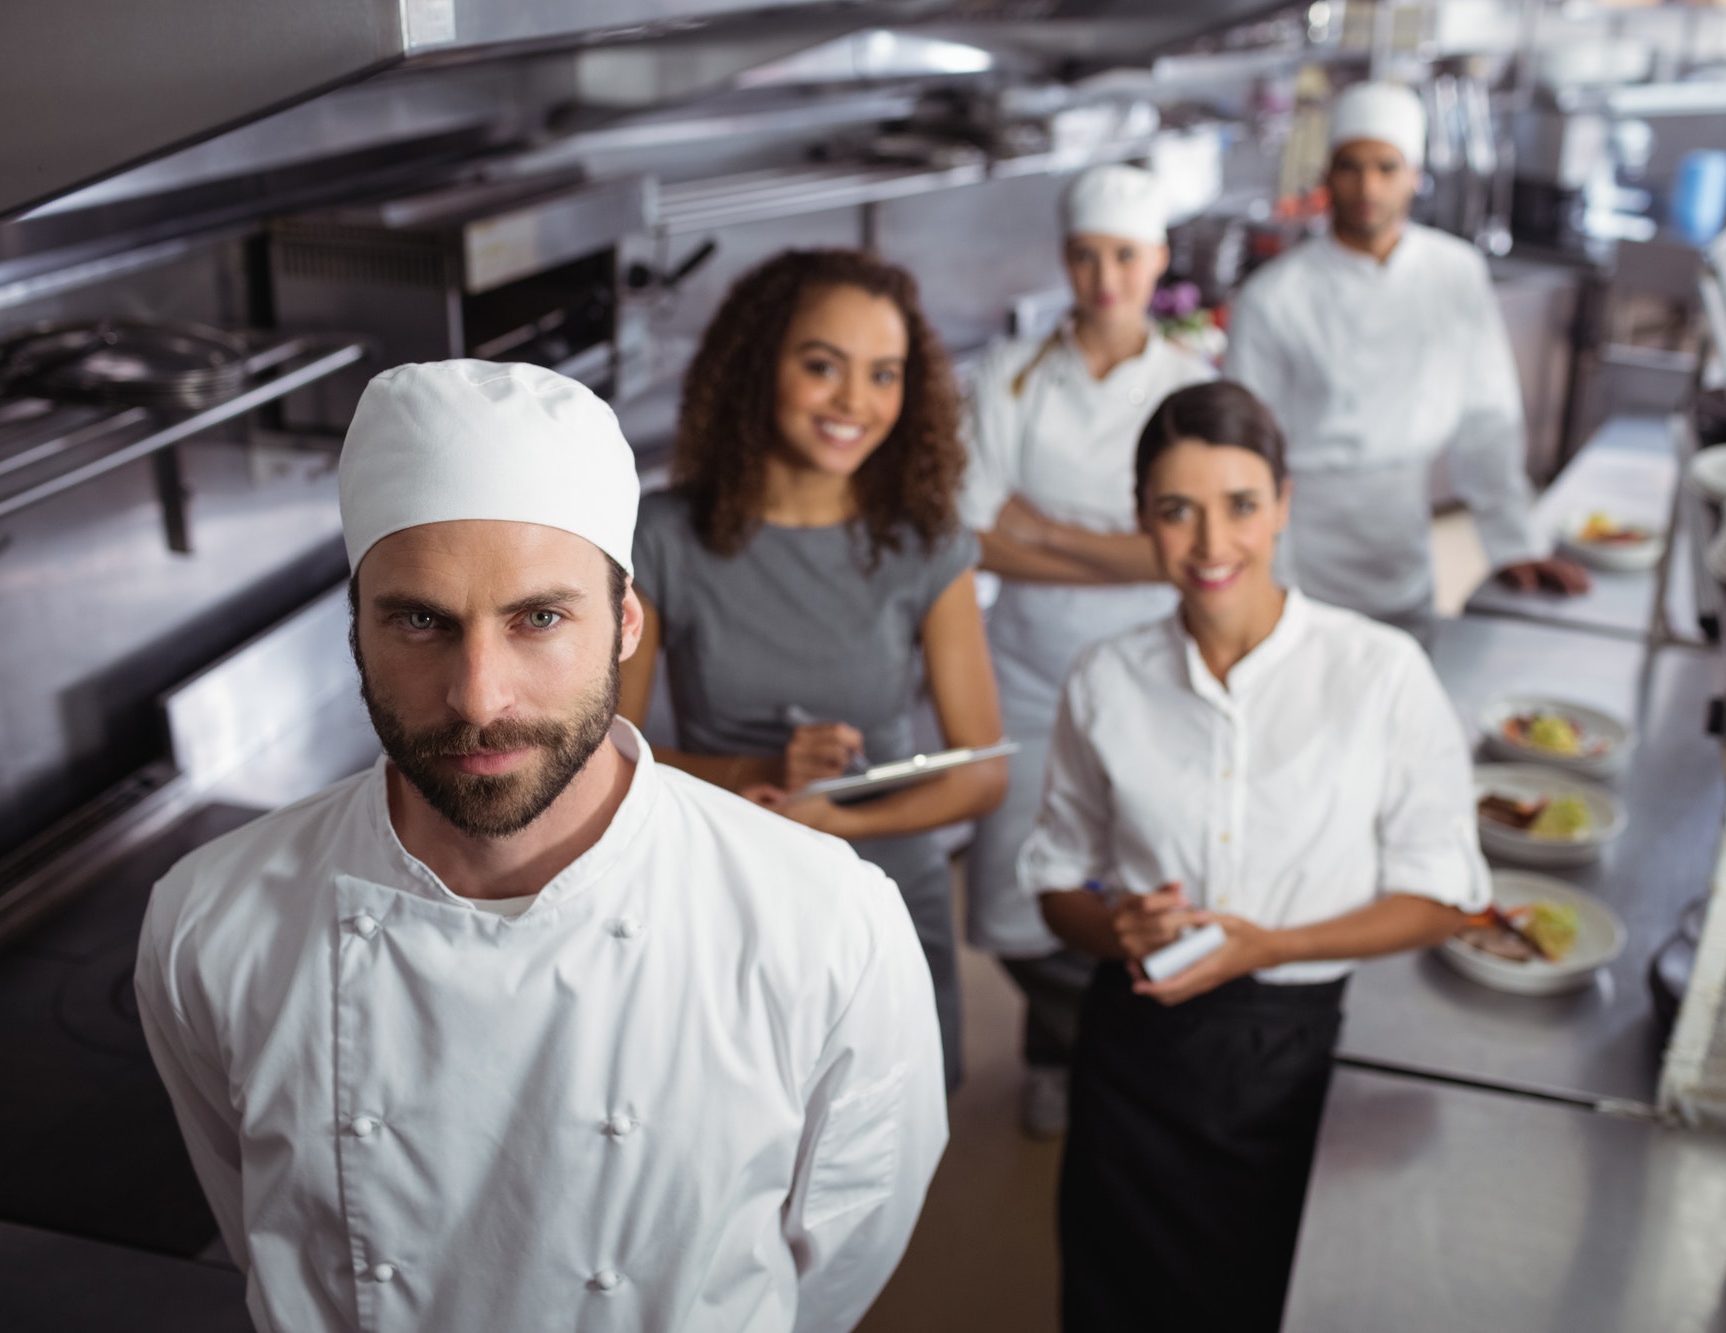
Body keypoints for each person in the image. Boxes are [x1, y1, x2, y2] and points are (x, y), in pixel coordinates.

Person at [135, 360, 947, 1333]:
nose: (479, 697)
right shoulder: (209, 921)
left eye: (539, 618)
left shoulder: (823, 921)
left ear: (626, 626)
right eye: (420, 621)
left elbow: (838, 1256)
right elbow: (253, 1218)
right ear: (356, 630)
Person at [1022, 380, 1490, 1332]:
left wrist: (1266, 946)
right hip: (1140, 1053)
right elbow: (1055, 880)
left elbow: (1447, 894)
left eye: (1240, 506)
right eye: (1175, 511)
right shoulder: (1106, 679)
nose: (1210, 545)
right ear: (1142, 519)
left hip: (1300, 1050)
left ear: (1283, 501)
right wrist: (1116, 928)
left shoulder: (1379, 671)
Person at [619, 249, 1007, 1092]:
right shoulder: (659, 537)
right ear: (760, 364)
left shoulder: (927, 544)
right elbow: (602, 753)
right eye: (823, 366)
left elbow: (982, 773)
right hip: (722, 890)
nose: (855, 403)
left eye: (883, 374)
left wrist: (845, 825)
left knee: (882, 1165)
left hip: (885, 899)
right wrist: (756, 773)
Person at [959, 164, 1215, 1137]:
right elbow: (972, 531)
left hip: (1150, 672)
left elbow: (1185, 551)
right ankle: (1060, 1034)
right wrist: (1131, 550)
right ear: (1063, 260)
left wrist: (1045, 530)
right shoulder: (1010, 372)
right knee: (1015, 888)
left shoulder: (1190, 386)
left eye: (1123, 255)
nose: (1103, 277)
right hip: (1019, 671)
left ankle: (1098, 1055)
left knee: (1141, 870)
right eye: (1084, 255)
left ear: (1155, 261)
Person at [1225, 81, 1587, 648]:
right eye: (1351, 166)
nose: (1368, 186)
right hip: (1302, 552)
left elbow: (1487, 417)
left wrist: (1512, 542)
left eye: (1386, 168)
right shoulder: (1273, 298)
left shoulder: (1455, 273)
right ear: (1326, 175)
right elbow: (1247, 455)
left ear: (1415, 175)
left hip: (1404, 548)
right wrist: (1270, 581)